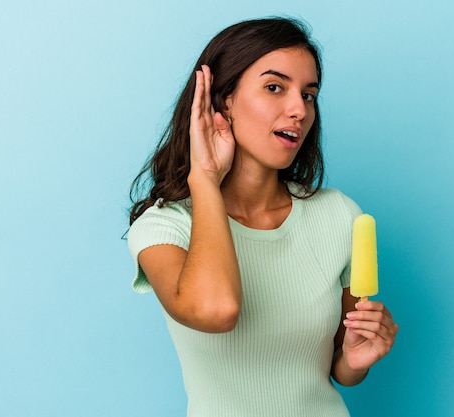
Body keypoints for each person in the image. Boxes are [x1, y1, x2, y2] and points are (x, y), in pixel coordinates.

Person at [127, 17, 398, 416]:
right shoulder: (164, 228)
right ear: (224, 101)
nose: (299, 110)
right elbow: (217, 311)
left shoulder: (339, 215)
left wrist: (355, 360)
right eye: (275, 87)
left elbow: (339, 367)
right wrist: (203, 179)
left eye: (309, 95)